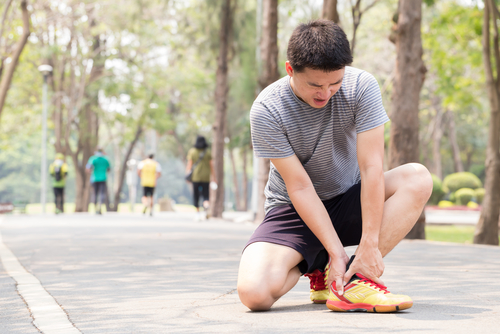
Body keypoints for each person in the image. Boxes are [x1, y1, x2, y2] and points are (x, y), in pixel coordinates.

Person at [237, 20, 433, 313]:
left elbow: (371, 168)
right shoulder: (267, 109)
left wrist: (368, 244)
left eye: (335, 83)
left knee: (417, 177)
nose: (325, 93)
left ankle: (356, 280)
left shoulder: (361, 86)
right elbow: (300, 186)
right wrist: (335, 251)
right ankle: (319, 265)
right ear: (290, 69)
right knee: (254, 294)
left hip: (348, 198)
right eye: (315, 85)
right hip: (294, 209)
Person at [186, 136, 216, 220]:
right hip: (206, 177)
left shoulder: (192, 152)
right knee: (205, 195)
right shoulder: (207, 152)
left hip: (195, 177)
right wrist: (214, 177)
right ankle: (206, 206)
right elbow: (211, 166)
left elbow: (189, 164)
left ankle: (197, 213)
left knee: (196, 195)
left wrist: (187, 175)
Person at [86, 148, 111, 215]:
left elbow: (88, 168)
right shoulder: (105, 159)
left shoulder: (93, 158)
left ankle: (95, 208)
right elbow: (108, 169)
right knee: (102, 194)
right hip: (103, 178)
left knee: (95, 194)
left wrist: (91, 172)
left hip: (94, 179)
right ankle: (100, 207)